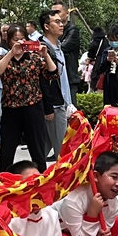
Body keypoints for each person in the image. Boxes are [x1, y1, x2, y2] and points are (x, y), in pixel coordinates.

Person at [0, 24, 56, 172]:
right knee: (6, 152)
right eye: (15, 40)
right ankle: (4, 184)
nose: (20, 43)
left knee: (37, 150)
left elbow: (53, 74)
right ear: (8, 40)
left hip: (33, 109)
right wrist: (11, 53)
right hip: (11, 109)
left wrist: (46, 55)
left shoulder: (34, 58)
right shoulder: (3, 58)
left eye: (22, 39)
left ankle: (40, 182)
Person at [58, 151, 118, 236]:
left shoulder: (113, 203)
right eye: (114, 177)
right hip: (66, 234)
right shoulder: (73, 201)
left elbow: (101, 235)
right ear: (95, 176)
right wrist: (92, 215)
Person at [38, 9, 71, 160]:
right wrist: (48, 106)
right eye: (57, 22)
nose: (61, 25)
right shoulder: (42, 49)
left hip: (61, 103)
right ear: (46, 26)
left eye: (61, 21)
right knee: (62, 152)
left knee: (42, 149)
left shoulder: (58, 46)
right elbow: (43, 80)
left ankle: (33, 177)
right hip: (54, 105)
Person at [52, 2, 82, 104]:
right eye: (53, 12)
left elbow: (61, 49)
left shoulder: (72, 30)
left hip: (69, 76)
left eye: (58, 12)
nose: (55, 15)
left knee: (70, 110)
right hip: (55, 76)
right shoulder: (52, 32)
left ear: (67, 14)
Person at [97, 26, 118, 107]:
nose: (113, 42)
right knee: (109, 106)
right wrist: (107, 60)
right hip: (109, 83)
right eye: (111, 40)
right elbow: (100, 69)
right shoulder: (106, 51)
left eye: (115, 40)